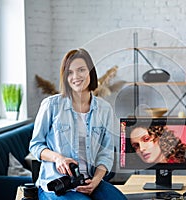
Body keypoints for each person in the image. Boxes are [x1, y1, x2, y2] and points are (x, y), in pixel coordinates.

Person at [29, 48, 127, 200]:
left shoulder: (104, 109)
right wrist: (58, 158)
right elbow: (36, 146)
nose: (76, 76)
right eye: (70, 72)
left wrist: (95, 181)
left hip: (90, 181)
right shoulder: (51, 105)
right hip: (56, 185)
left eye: (81, 70)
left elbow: (106, 153)